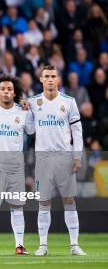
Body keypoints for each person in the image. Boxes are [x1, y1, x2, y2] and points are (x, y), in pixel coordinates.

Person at [28, 65, 86, 256]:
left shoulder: (68, 102)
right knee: (44, 202)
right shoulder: (33, 102)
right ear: (41, 80)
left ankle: (74, 245)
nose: (51, 79)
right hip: (43, 158)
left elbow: (77, 131)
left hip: (64, 156)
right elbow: (29, 130)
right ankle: (43, 246)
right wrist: (24, 111)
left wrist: (77, 156)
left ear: (58, 79)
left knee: (69, 200)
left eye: (54, 76)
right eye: (47, 76)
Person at [0, 75, 34, 255]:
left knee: (17, 207)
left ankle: (19, 245)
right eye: (3, 89)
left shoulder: (22, 111)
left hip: (16, 167)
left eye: (9, 89)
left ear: (15, 92)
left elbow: (32, 130)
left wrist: (30, 109)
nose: (6, 92)